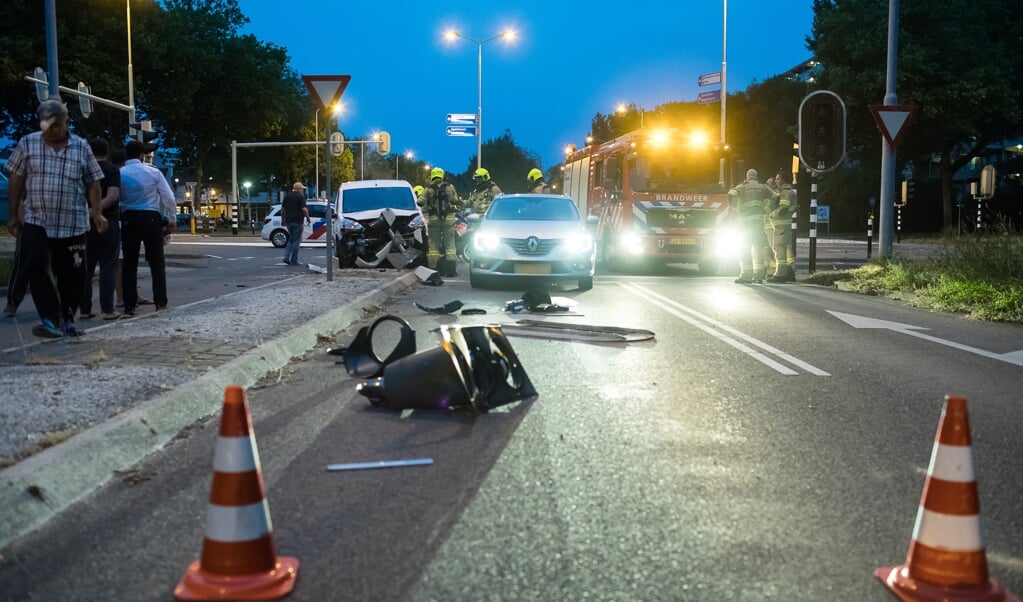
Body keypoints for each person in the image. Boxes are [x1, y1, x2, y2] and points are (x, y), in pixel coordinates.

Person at [5, 99, 107, 338]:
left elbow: (93, 181)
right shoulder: (27, 143)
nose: (52, 129)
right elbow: (16, 179)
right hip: (37, 219)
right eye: (46, 124)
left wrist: (97, 212)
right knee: (37, 263)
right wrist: (13, 215)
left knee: (73, 274)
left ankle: (68, 319)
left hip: (73, 222)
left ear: (66, 122)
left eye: (56, 124)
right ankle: (50, 320)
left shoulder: (81, 147)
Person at [119, 139, 176, 316]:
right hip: (151, 218)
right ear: (142, 155)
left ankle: (129, 305)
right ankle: (160, 302)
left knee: (129, 263)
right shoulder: (153, 172)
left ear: (125, 154)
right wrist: (171, 220)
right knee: (156, 262)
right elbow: (169, 198)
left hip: (128, 218)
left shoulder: (120, 173)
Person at [79, 138, 122, 320]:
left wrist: (86, 212)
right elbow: (112, 197)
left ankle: (85, 309)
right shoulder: (112, 170)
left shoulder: (82, 170)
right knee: (107, 266)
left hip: (83, 224)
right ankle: (107, 309)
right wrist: (96, 211)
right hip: (108, 221)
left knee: (85, 269)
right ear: (108, 152)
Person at [727, 168, 772, 284]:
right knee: (758, 249)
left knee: (744, 249)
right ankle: (759, 276)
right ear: (756, 177)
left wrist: (733, 207)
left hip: (745, 225)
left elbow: (731, 193)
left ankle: (746, 275)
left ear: (747, 177)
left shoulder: (743, 186)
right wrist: (767, 209)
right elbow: (776, 196)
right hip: (758, 223)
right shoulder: (763, 187)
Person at [421, 167, 460, 264]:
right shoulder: (450, 187)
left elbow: (420, 202)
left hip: (434, 220)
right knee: (450, 245)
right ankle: (450, 268)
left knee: (433, 245)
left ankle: (434, 266)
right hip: (449, 220)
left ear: (432, 176)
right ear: (442, 175)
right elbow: (456, 200)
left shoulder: (428, 189)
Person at [766, 170, 797, 283]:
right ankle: (787, 273)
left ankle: (780, 274)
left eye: (778, 179)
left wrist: (773, 214)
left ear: (783, 180)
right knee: (782, 248)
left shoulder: (785, 192)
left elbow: (784, 207)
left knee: (779, 248)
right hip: (783, 225)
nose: (776, 181)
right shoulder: (787, 191)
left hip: (781, 225)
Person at [280, 182, 310, 265]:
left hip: (289, 221)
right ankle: (294, 260)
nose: (302, 191)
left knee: (290, 239)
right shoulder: (300, 197)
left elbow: (283, 210)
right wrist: (308, 218)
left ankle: (286, 257)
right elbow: (304, 209)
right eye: (301, 189)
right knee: (296, 241)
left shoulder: (287, 196)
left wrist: (283, 220)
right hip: (298, 221)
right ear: (298, 189)